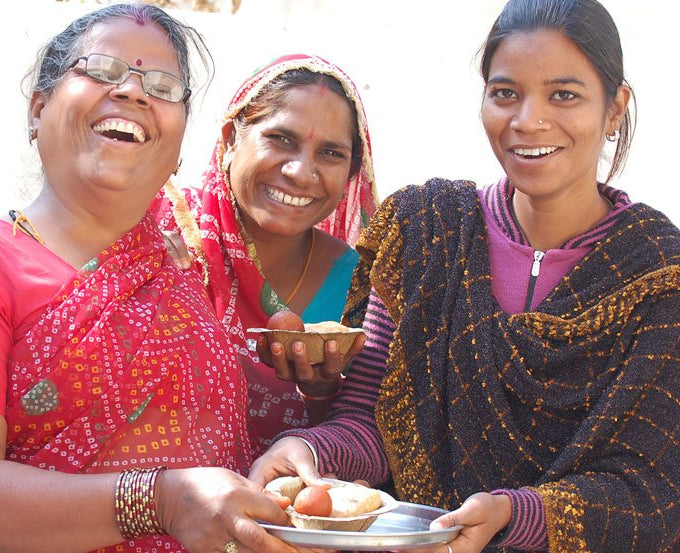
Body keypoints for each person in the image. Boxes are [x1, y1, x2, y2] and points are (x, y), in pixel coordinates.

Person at [250, 0, 680, 551]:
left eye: (564, 95)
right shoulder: (426, 233)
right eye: (505, 93)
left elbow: (652, 489)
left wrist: (514, 513)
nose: (527, 121)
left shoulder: (657, 272)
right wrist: (312, 451)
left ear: (615, 108)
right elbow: (373, 420)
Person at [0, 5, 297, 553]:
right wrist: (159, 501)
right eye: (102, 70)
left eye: (163, 87)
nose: (132, 92)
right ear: (38, 110)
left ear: (178, 147)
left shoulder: (184, 279)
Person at [154, 54, 376, 455]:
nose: (300, 172)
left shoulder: (360, 283)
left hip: (287, 491)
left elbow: (365, 435)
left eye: (330, 153)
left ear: (350, 175)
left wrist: (323, 392)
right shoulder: (162, 234)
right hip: (143, 486)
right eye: (281, 139)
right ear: (230, 140)